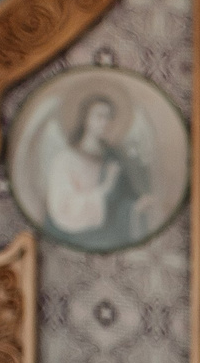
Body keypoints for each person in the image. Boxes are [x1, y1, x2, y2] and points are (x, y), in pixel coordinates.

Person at [39, 93, 151, 250]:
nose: (105, 122)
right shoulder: (65, 159)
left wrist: (136, 206)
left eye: (109, 117)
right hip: (73, 235)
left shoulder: (114, 157)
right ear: (86, 119)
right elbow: (63, 207)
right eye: (99, 116)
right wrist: (104, 189)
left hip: (110, 236)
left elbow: (124, 199)